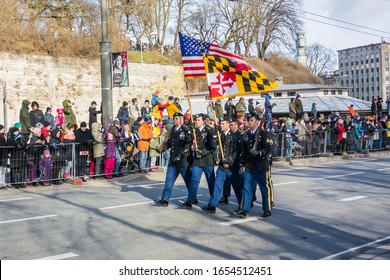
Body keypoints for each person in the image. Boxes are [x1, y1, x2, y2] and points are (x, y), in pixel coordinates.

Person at [231, 113, 274, 219]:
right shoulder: (246, 135)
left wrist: (259, 153)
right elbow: (244, 151)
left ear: (257, 122)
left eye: (251, 120)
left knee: (264, 188)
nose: (249, 122)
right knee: (246, 187)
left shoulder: (264, 134)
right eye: (248, 120)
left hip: (261, 165)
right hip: (249, 165)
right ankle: (244, 209)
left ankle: (267, 209)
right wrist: (242, 162)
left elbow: (270, 149)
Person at [202, 116, 241, 214]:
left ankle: (242, 206)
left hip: (232, 166)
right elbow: (214, 145)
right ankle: (212, 205)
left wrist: (229, 160)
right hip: (222, 166)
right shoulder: (220, 135)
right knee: (217, 185)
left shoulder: (235, 136)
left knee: (237, 187)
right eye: (220, 123)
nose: (221, 125)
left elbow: (237, 151)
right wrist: (214, 135)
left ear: (228, 124)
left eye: (223, 123)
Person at [180, 113, 217, 209]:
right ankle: (190, 200)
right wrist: (189, 130)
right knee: (194, 181)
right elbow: (187, 139)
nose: (196, 121)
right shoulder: (194, 130)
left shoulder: (209, 130)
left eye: (198, 120)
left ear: (204, 121)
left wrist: (203, 152)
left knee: (211, 182)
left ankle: (212, 203)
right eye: (195, 120)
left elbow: (213, 146)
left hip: (207, 160)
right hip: (197, 160)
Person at [154, 112, 192, 207]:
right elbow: (169, 143)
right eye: (174, 118)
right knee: (169, 180)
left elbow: (187, 145)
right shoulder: (172, 130)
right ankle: (165, 199)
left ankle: (192, 198)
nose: (174, 120)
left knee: (188, 181)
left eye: (176, 118)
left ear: (181, 119)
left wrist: (181, 155)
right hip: (173, 161)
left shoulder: (185, 130)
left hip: (183, 161)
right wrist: (161, 149)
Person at [218, 116, 243, 205]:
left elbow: (239, 150)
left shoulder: (239, 136)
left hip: (235, 163)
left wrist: (231, 160)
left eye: (232, 125)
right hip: (225, 163)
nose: (231, 127)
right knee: (225, 182)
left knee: (238, 183)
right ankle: (225, 196)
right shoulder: (225, 134)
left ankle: (246, 200)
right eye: (230, 125)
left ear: (236, 125)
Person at [0, 125, 8, 189]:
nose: (4, 130)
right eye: (3, 129)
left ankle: (3, 182)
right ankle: (0, 183)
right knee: (0, 170)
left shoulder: (3, 136)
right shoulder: (1, 137)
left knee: (4, 170)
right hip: (1, 155)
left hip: (4, 155)